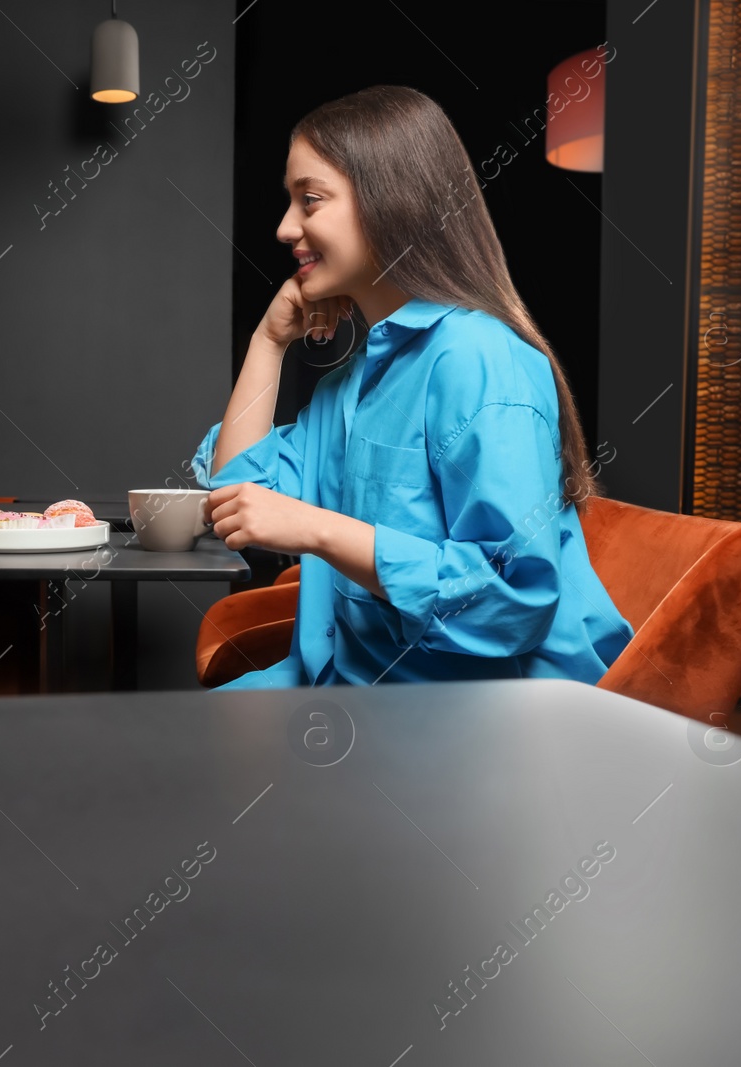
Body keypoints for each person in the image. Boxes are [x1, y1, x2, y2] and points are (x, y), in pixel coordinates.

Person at [191, 86, 632, 688]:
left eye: (310, 200)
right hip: (349, 683)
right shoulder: (350, 381)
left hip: (478, 712)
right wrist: (268, 343)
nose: (284, 227)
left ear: (389, 203)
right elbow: (237, 500)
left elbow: (513, 602)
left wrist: (320, 528)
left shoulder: (480, 359)